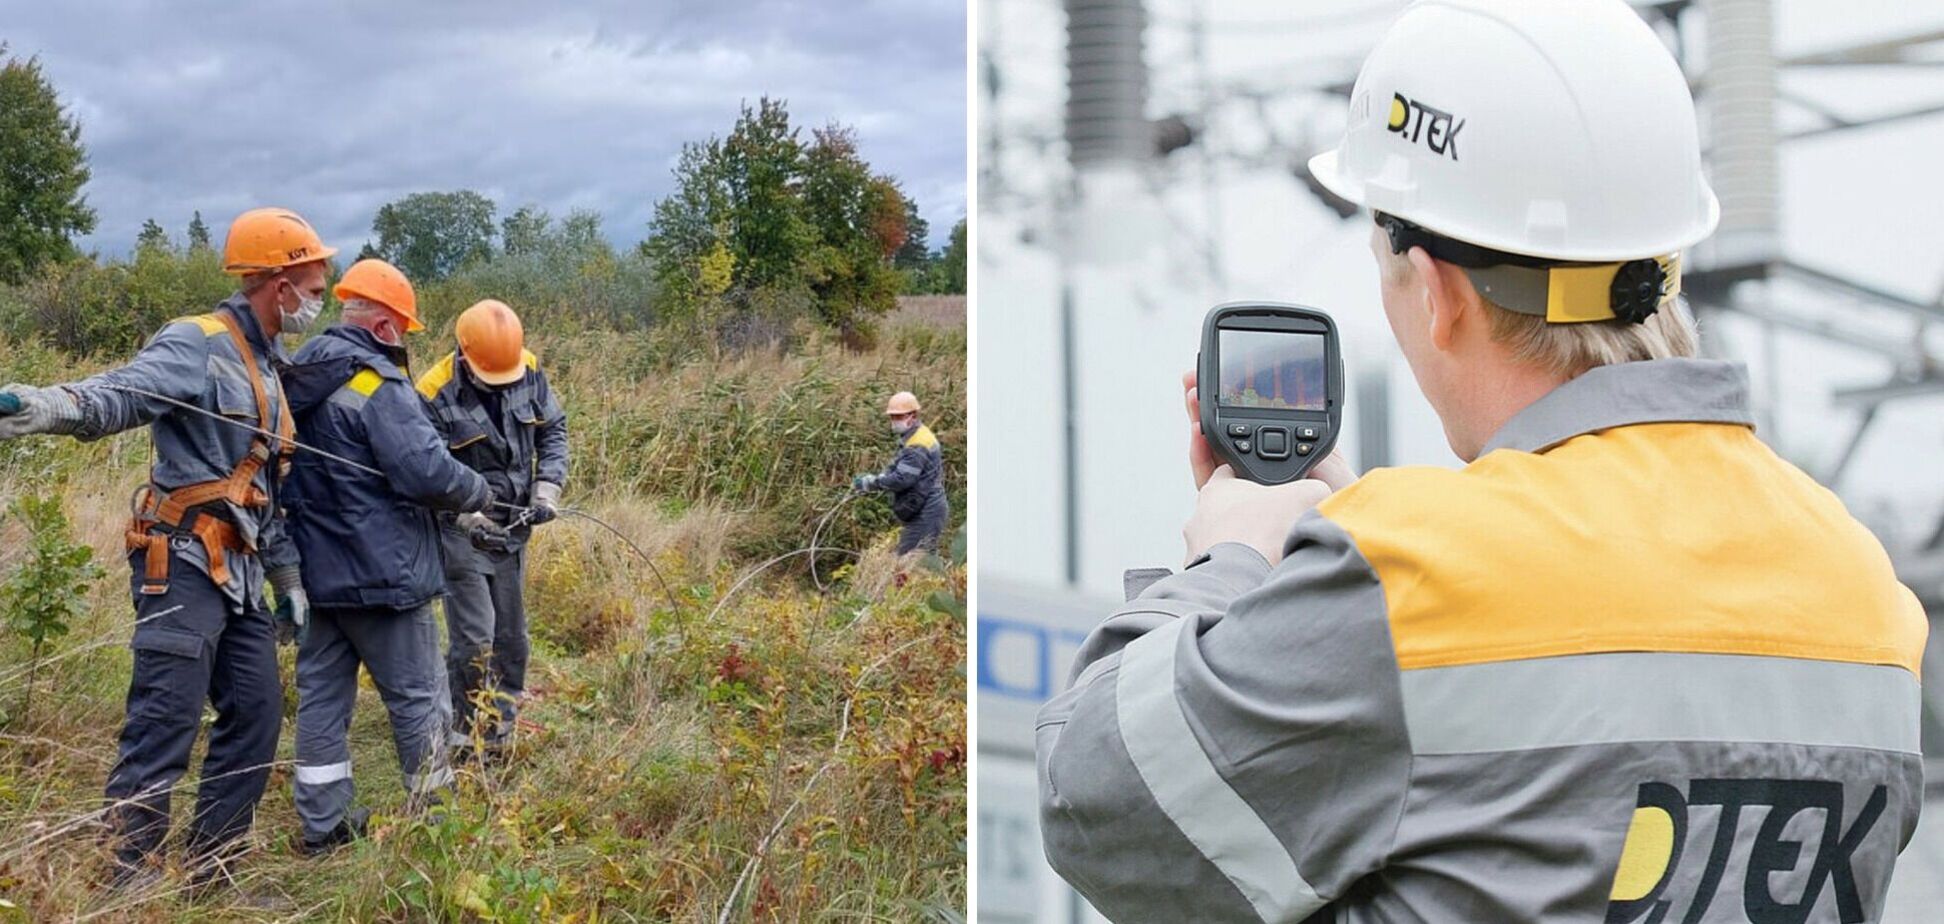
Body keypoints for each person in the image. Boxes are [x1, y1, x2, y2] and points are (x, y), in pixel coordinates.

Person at [1035, 1, 1928, 921]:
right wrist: (1359, 565)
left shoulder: (1411, 576)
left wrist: (1229, 566)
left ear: (1434, 292)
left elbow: (1093, 797)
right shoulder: (1860, 580)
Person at [0, 208, 333, 890]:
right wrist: (43, 405)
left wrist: (288, 581)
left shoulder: (274, 371)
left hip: (239, 572)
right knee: (165, 720)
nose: (319, 295)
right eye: (315, 280)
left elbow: (262, 492)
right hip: (179, 559)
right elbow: (119, 395)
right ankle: (127, 881)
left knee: (258, 717)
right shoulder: (196, 343)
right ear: (278, 281)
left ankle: (210, 877)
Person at [279, 259, 495, 854]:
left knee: (322, 698)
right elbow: (424, 470)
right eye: (401, 328)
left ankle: (323, 826)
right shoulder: (377, 383)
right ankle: (437, 826)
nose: (403, 340)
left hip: (316, 574)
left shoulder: (295, 372)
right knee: (420, 697)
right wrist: (478, 493)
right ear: (382, 327)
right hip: (384, 575)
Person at [414, 299, 568, 761]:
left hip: (517, 526)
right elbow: (427, 472)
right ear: (464, 356)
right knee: (475, 639)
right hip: (461, 529)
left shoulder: (529, 368)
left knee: (512, 639)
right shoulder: (432, 393)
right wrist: (467, 518)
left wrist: (547, 490)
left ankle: (500, 728)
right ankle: (462, 734)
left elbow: (553, 430)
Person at [853, 391, 949, 555]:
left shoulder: (918, 443)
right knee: (921, 560)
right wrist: (880, 478)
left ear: (912, 415)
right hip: (922, 504)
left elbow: (902, 479)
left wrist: (871, 483)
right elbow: (897, 469)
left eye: (898, 416)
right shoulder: (913, 437)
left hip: (927, 508)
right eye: (892, 417)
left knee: (910, 560)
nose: (894, 421)